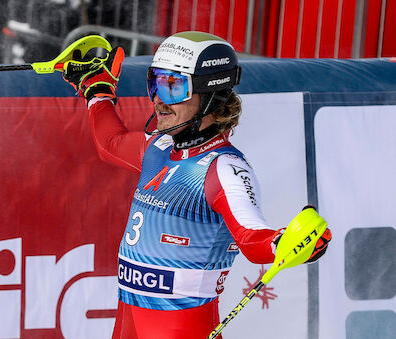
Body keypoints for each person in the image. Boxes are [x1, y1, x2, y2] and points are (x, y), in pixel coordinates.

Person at [63, 31, 332, 339]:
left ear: (210, 99)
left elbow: (251, 238)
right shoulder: (159, 147)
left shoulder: (224, 168)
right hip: (130, 316)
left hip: (182, 326)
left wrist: (287, 242)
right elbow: (110, 143)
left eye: (173, 87)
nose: (158, 99)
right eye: (155, 82)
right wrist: (97, 89)